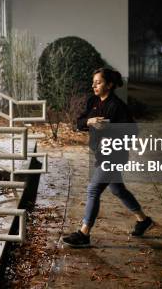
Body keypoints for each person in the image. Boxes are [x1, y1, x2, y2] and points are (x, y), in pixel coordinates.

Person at [61, 68, 153, 248]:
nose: (94, 85)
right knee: (118, 190)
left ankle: (84, 233)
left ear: (109, 85)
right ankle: (143, 220)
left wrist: (111, 134)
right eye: (93, 82)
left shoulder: (117, 106)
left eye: (99, 82)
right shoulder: (93, 101)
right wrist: (90, 121)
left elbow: (132, 132)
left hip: (114, 156)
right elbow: (79, 122)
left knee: (93, 189)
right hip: (100, 155)